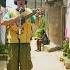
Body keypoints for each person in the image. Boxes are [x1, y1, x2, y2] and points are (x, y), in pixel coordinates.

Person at [1, 0, 33, 70]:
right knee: (12, 65)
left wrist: (37, 16)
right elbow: (3, 22)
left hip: (25, 43)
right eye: (18, 0)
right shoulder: (10, 12)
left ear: (25, 1)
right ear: (16, 1)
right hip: (12, 43)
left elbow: (35, 22)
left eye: (23, 0)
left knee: (26, 66)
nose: (20, 1)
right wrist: (16, 18)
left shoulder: (29, 12)